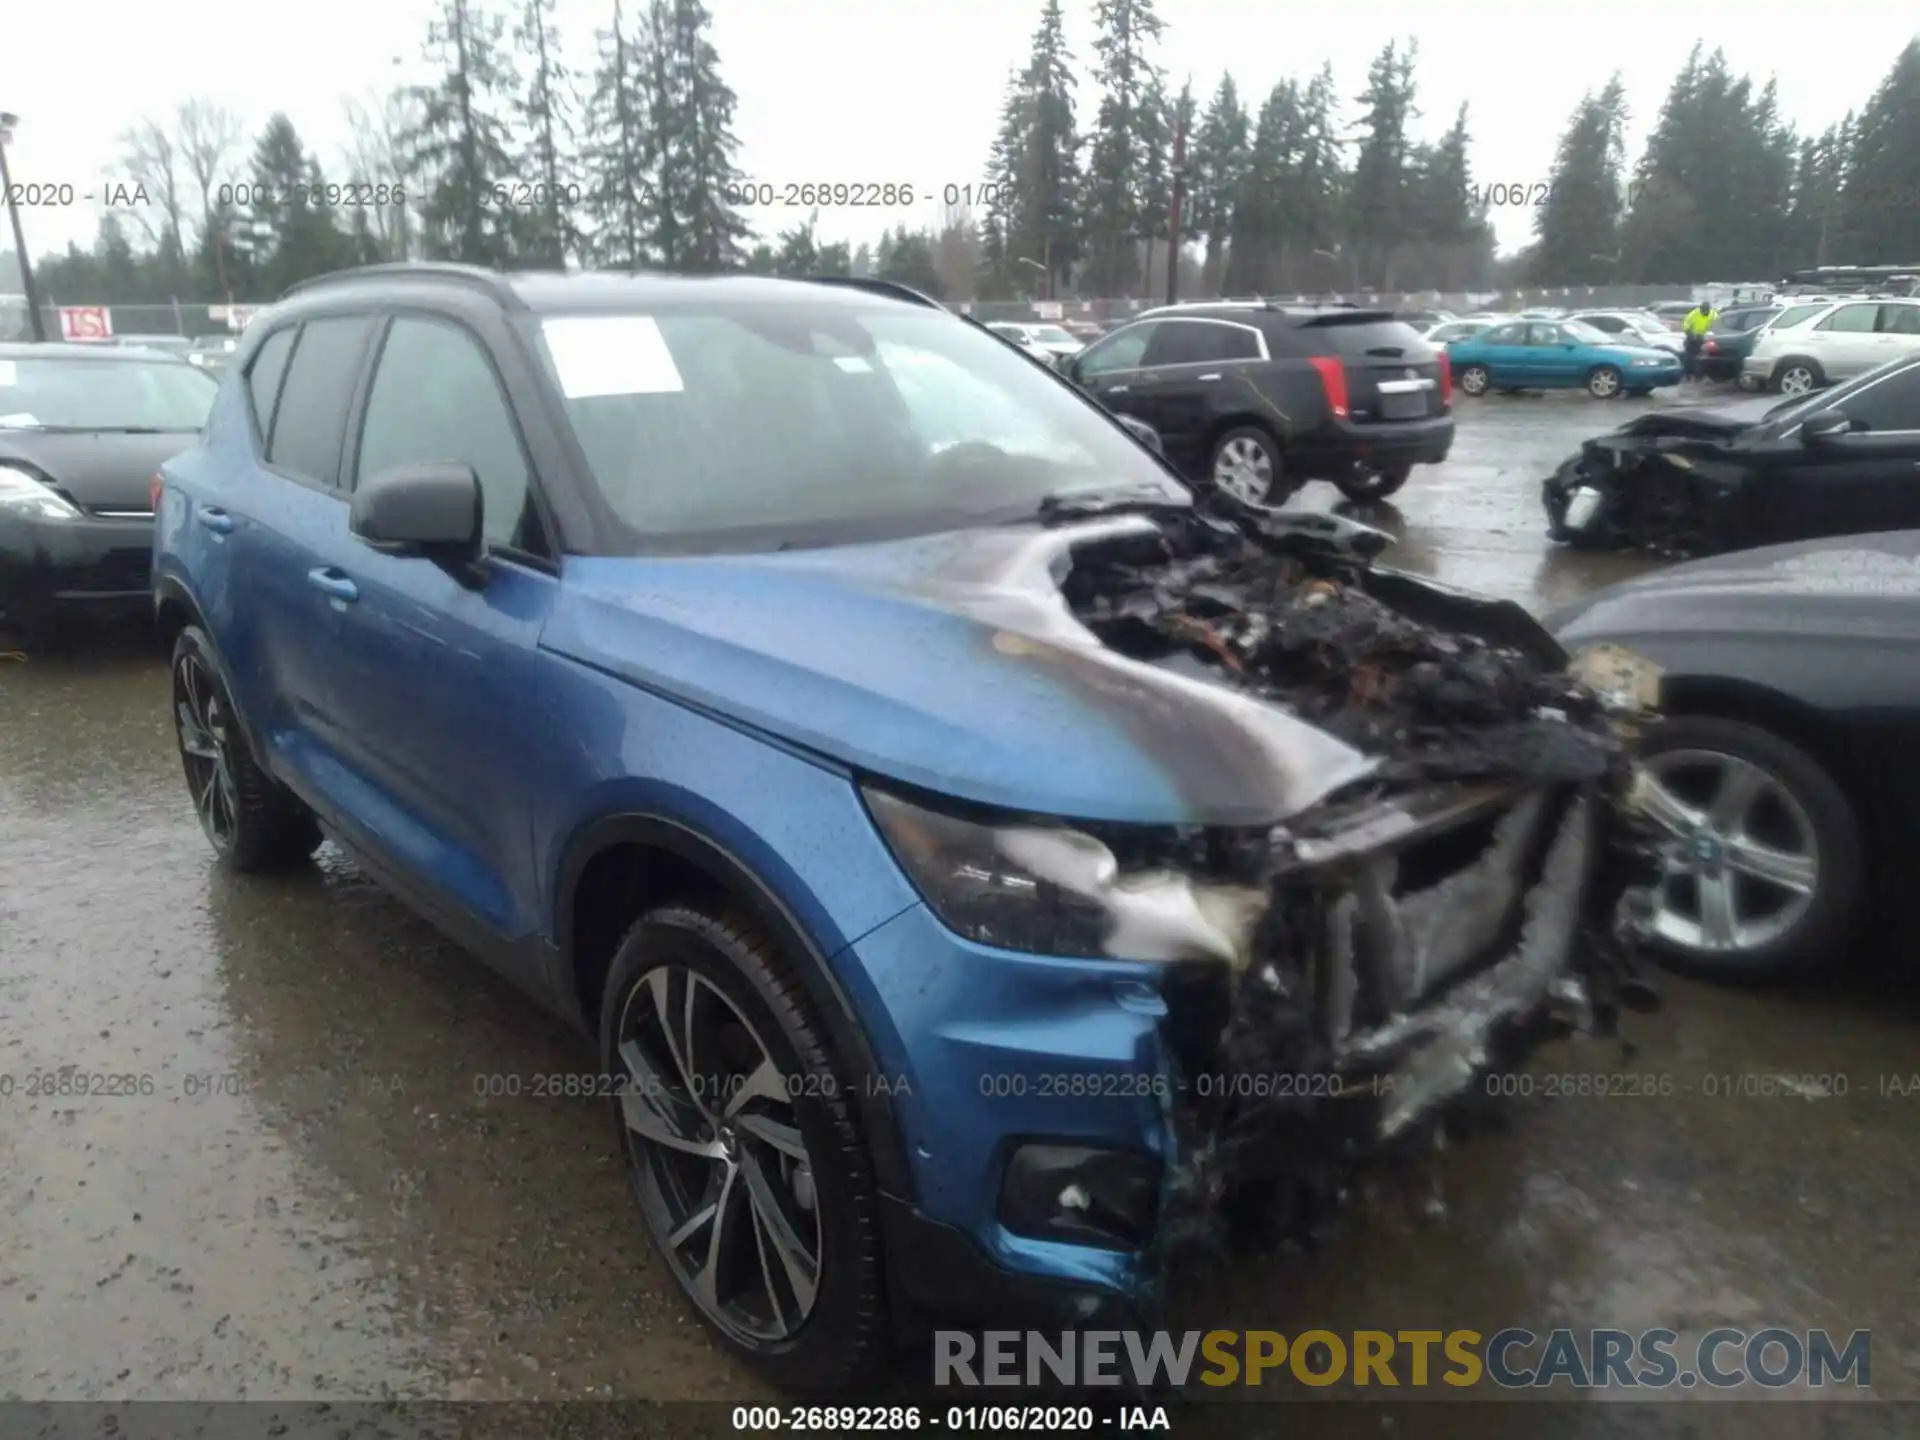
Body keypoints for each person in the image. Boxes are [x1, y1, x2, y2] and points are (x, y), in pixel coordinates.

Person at [1681, 301, 1715, 381]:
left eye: (1707, 310)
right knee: (1689, 357)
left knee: (1704, 358)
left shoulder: (1713, 314)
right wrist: (1690, 334)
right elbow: (1686, 325)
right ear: (1701, 309)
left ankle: (1700, 375)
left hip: (1706, 338)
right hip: (1693, 338)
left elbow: (1716, 324)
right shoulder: (1694, 314)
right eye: (1703, 310)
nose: (1705, 312)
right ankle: (1687, 374)